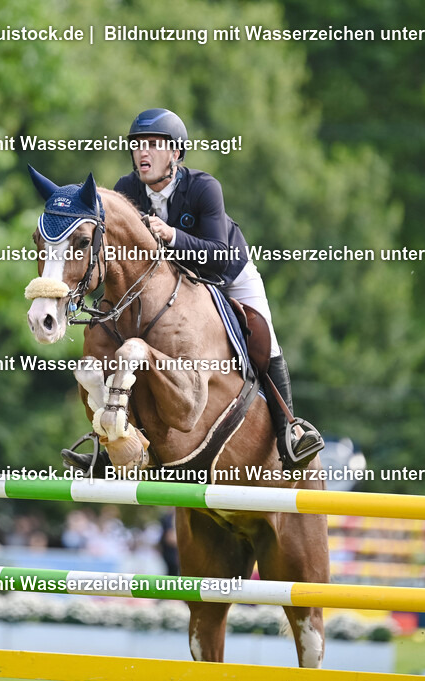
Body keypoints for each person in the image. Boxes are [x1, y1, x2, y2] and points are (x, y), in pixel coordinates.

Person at [114, 108, 323, 467]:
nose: (142, 153)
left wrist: (173, 236)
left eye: (152, 144)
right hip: (168, 288)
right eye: (137, 145)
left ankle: (289, 431)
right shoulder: (126, 191)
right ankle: (111, 439)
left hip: (225, 274)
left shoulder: (204, 187)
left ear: (176, 153)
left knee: (266, 338)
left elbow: (219, 256)